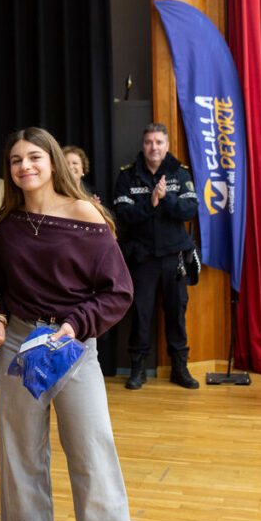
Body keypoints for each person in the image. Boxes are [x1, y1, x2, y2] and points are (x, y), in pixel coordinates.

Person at [0, 126, 133, 521]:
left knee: (93, 455)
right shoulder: (7, 223)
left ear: (52, 161)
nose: (25, 166)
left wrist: (75, 326)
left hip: (72, 346)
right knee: (21, 460)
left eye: (34, 157)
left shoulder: (85, 215)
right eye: (16, 160)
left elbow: (118, 291)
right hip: (20, 344)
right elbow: (0, 289)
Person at [113, 123, 200, 390]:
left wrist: (165, 200)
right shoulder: (128, 176)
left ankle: (179, 368)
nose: (154, 147)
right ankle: (137, 369)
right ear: (143, 145)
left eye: (159, 142)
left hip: (174, 257)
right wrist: (150, 203)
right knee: (140, 314)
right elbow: (123, 215)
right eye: (149, 142)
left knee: (177, 313)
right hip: (142, 258)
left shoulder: (179, 172)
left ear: (166, 146)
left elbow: (190, 208)